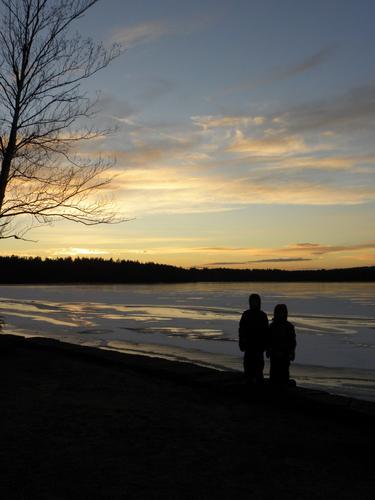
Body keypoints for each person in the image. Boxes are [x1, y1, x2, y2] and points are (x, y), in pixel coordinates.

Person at [238, 293, 269, 384]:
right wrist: (241, 342)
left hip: (259, 347)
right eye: (253, 301)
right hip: (248, 346)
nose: (254, 303)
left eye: (256, 301)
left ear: (259, 302)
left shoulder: (263, 315)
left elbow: (266, 332)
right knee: (248, 366)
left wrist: (266, 346)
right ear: (250, 302)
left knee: (259, 367)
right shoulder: (246, 314)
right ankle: (248, 380)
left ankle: (258, 381)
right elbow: (241, 330)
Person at [267, 304, 296, 385]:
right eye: (278, 313)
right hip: (274, 355)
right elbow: (268, 339)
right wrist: (268, 350)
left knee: (284, 377)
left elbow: (292, 341)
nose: (280, 314)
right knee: (273, 376)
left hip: (285, 356)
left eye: (282, 313)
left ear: (285, 313)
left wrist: (291, 352)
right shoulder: (272, 326)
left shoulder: (289, 326)